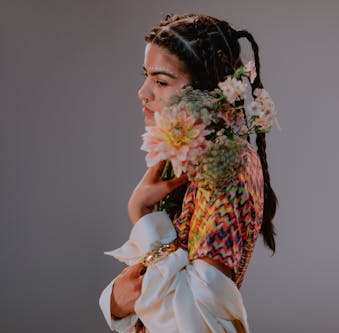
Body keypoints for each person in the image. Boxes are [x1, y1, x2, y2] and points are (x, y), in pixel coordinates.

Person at [99, 13, 278, 333]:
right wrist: (115, 300)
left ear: (207, 91)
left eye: (161, 81)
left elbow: (196, 322)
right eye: (146, 76)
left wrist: (141, 215)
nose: (143, 92)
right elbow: (147, 284)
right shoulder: (191, 156)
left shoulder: (225, 170)